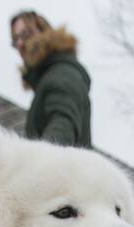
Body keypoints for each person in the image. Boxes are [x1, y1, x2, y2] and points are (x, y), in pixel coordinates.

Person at [10, 10, 91, 147]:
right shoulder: (47, 78)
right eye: (15, 39)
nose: (19, 44)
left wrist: (35, 167)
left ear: (44, 32)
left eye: (25, 34)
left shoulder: (62, 73)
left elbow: (61, 130)